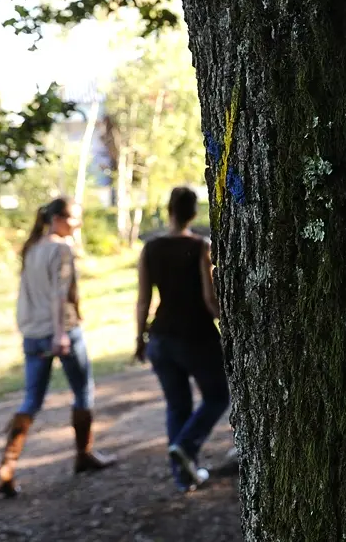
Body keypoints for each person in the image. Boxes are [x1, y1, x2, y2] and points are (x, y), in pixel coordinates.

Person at [0, 197, 116, 498]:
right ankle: (83, 454)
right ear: (58, 218)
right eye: (74, 218)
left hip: (33, 333)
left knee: (31, 400)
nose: (78, 224)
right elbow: (59, 296)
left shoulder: (32, 246)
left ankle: (7, 467)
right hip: (61, 332)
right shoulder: (61, 249)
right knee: (83, 391)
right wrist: (61, 334)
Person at [135, 186, 230, 492]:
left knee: (178, 406)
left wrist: (140, 338)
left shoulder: (150, 249)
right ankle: (187, 447)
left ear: (169, 210)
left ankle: (182, 477)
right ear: (193, 213)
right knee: (217, 397)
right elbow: (209, 298)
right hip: (197, 336)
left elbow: (143, 300)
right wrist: (228, 321)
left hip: (161, 337)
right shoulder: (201, 246)